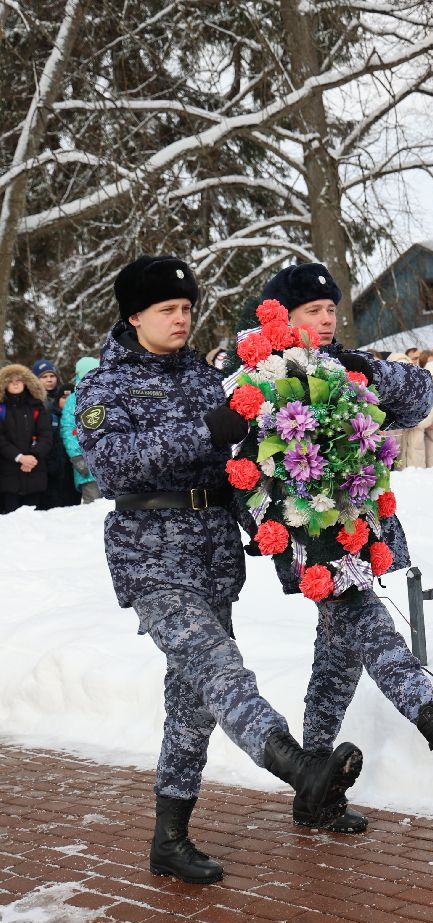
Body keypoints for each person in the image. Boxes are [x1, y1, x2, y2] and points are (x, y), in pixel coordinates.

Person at [75, 254, 365, 885]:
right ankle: (298, 768)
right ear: (134, 316)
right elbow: (115, 464)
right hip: (150, 554)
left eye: (186, 308)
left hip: (211, 551)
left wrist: (275, 521)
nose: (181, 319)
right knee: (218, 670)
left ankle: (169, 839)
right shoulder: (104, 385)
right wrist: (208, 431)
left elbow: (237, 464)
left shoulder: (208, 379)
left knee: (193, 701)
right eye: (167, 310)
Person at [244, 262, 433, 833]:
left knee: (337, 660)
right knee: (371, 627)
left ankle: (314, 786)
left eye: (331, 310)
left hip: (359, 528)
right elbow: (243, 464)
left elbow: (418, 401)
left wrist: (364, 370)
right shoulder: (258, 376)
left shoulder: (345, 367)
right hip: (309, 537)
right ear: (282, 316)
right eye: (313, 311)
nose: (326, 319)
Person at [0, 365, 52, 514]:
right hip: (8, 474)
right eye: (10, 381)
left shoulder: (37, 407)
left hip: (34, 472)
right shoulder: (1, 408)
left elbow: (46, 436)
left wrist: (33, 457)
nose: (15, 384)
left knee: (33, 522)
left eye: (19, 380)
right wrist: (19, 457)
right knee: (10, 520)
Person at [31, 358, 78, 508]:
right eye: (44, 377)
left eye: (52, 376)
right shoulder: (34, 399)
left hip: (66, 457)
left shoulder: (65, 395)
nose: (49, 380)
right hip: (44, 457)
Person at [60, 357, 104, 503]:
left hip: (110, 464)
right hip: (87, 465)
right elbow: (68, 430)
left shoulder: (108, 394)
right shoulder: (73, 399)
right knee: (93, 507)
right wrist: (77, 457)